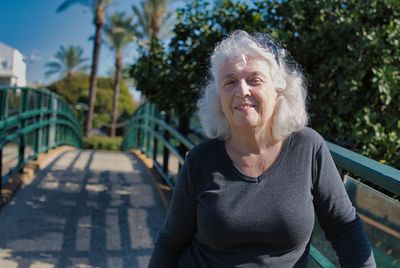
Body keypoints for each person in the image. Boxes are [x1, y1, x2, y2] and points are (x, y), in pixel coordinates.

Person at [148, 30, 376, 267]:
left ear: (278, 91)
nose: (242, 91)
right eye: (230, 82)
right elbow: (171, 242)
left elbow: (344, 228)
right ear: (219, 97)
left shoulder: (308, 148)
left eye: (254, 80)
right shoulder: (200, 160)